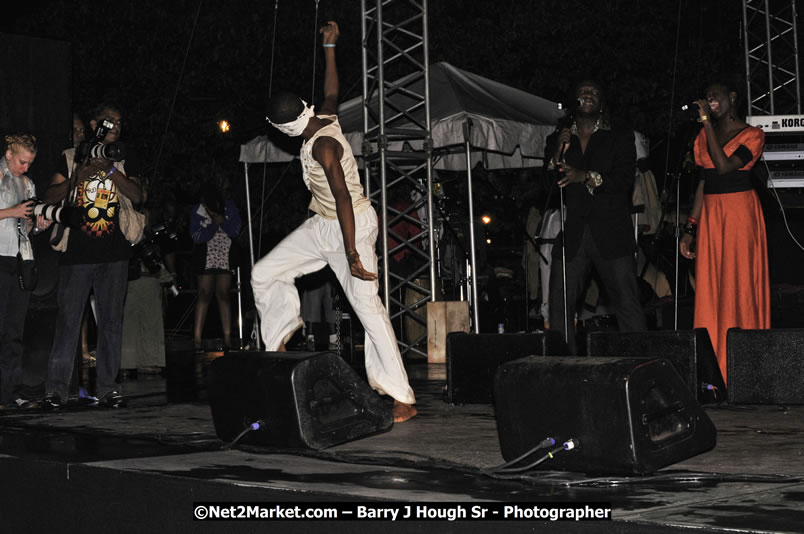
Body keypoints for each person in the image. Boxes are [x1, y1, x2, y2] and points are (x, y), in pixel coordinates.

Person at [252, 21, 416, 423]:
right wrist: (329, 47)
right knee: (264, 272)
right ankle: (277, 343)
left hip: (352, 224)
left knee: (367, 307)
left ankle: (402, 398)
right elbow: (331, 90)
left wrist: (352, 252)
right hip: (322, 224)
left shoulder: (323, 146)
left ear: (283, 129)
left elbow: (342, 196)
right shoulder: (322, 118)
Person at [42, 102, 143, 408]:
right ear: (94, 125)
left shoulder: (122, 157)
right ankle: (56, 391)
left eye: (120, 122)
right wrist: (78, 176)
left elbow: (138, 195)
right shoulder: (71, 157)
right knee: (68, 323)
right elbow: (49, 197)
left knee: (111, 323)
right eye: (110, 121)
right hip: (77, 255)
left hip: (115, 254)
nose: (116, 126)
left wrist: (110, 170)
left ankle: (108, 388)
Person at [545, 79, 646, 354]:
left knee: (627, 302)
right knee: (559, 303)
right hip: (575, 232)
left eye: (594, 91)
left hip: (612, 231)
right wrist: (558, 151)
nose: (588, 94)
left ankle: (641, 362)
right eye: (583, 91)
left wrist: (585, 177)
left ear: (601, 103)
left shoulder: (619, 135)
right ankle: (563, 363)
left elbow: (623, 180)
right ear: (574, 100)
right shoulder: (559, 138)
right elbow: (549, 183)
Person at [680, 76, 769, 386]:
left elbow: (724, 167)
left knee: (738, 285)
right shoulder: (702, 137)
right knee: (711, 287)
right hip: (712, 216)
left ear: (732, 97)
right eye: (706, 96)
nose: (710, 100)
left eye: (714, 95)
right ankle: (713, 369)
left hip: (739, 214)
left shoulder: (753, 135)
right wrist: (690, 227)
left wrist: (706, 123)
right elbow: (704, 182)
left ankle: (744, 368)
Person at [0, 134, 50, 409]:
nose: (26, 167)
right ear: (9, 154)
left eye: (30, 163)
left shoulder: (27, 183)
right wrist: (13, 211)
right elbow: (12, 214)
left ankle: (10, 392)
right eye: (22, 162)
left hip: (19, 260)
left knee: (14, 330)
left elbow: (26, 227)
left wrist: (38, 225)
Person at [190, 183, 241, 350]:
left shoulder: (229, 206)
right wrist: (213, 225)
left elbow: (235, 231)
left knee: (223, 295)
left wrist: (222, 221)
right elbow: (195, 235)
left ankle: (227, 338)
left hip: (225, 256)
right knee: (204, 294)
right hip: (206, 257)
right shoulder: (198, 209)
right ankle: (197, 339)